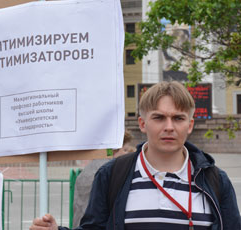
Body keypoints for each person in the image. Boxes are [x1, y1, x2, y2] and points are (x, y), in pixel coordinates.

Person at [30, 81, 241, 230]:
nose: (169, 127)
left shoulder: (215, 180)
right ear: (142, 124)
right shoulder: (112, 175)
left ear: (190, 125)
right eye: (158, 118)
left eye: (178, 118)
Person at [72, 131, 135, 228]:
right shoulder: (107, 172)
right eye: (125, 150)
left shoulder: (89, 170)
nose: (127, 154)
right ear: (115, 150)